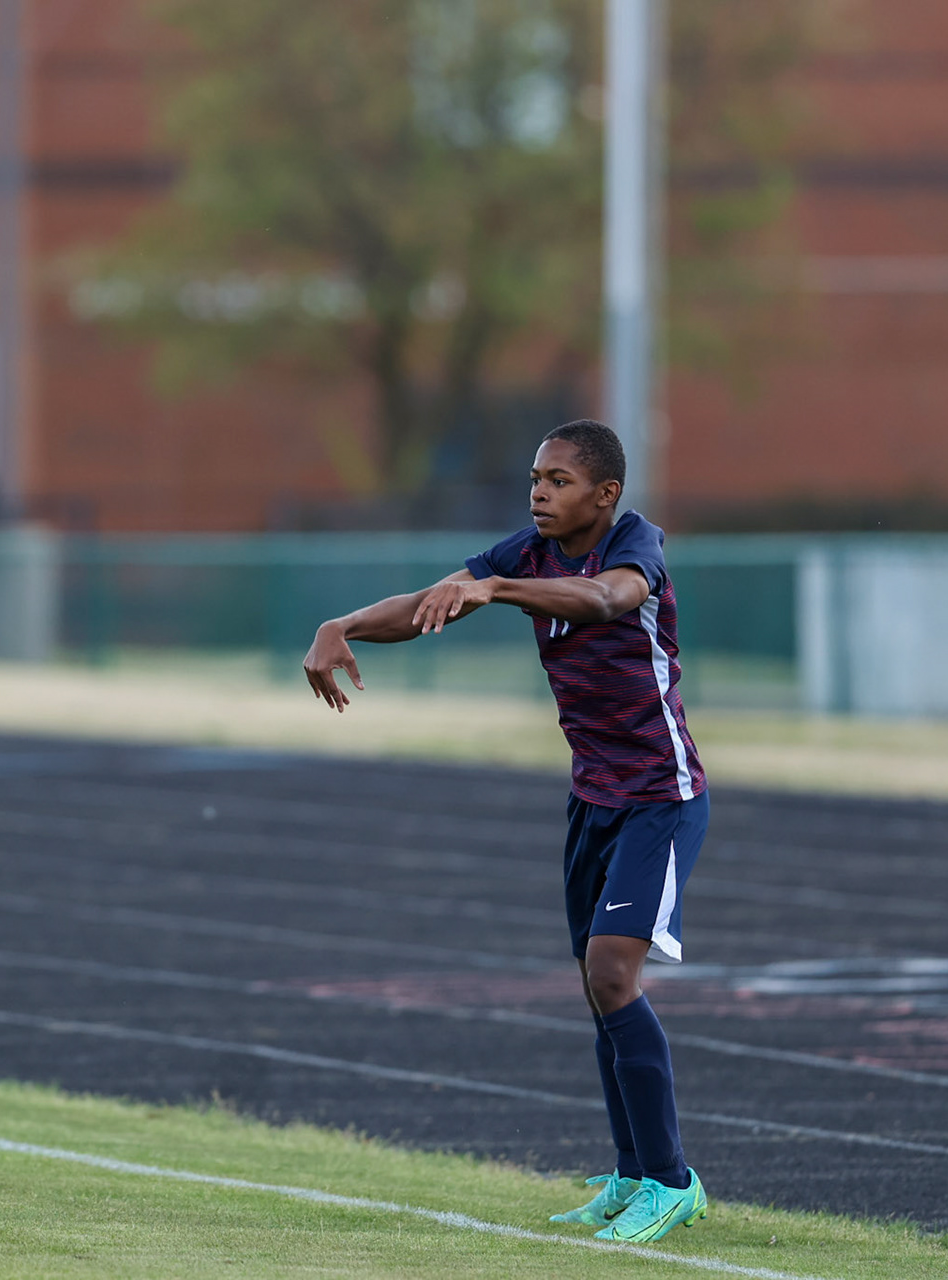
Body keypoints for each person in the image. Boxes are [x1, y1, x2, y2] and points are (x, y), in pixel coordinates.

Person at [302, 419, 709, 1243]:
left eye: (558, 480)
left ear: (606, 494)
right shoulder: (527, 551)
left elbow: (605, 600)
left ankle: (673, 1181)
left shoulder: (635, 545)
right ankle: (633, 1177)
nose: (539, 492)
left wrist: (496, 588)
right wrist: (340, 624)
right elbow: (431, 605)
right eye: (534, 476)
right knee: (601, 991)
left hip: (658, 796)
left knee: (611, 972)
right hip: (592, 797)